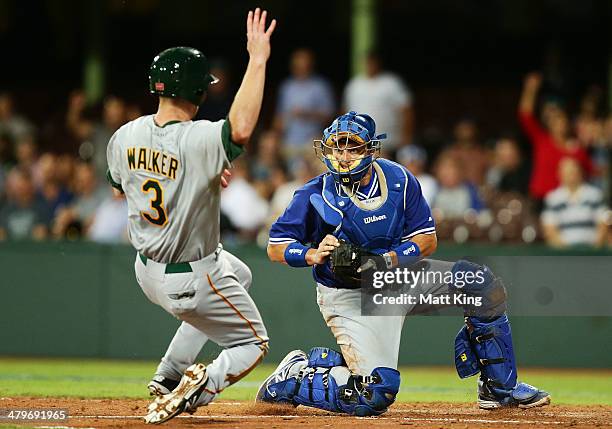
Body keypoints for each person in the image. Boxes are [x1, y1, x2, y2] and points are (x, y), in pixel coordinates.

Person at [256, 111, 550, 416]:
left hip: (399, 277)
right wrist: (311, 254)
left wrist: (387, 260)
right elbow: (275, 246)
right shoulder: (314, 193)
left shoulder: (399, 179)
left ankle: (499, 390)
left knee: (479, 284)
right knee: (373, 395)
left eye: (352, 146)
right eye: (337, 146)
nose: (342, 155)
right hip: (351, 296)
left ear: (370, 149)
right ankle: (293, 378)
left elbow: (427, 239)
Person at [105, 8, 276, 424]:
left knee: (241, 275)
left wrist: (193, 179)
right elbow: (239, 130)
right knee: (253, 344)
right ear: (199, 91)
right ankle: (202, 385)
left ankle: (169, 373)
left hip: (147, 271)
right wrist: (258, 60)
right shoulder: (199, 139)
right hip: (191, 278)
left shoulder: (124, 134)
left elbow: (120, 187)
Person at [518, 72, 592, 201]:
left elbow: (589, 171)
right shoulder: (541, 140)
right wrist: (530, 89)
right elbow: (525, 116)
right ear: (549, 124)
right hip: (541, 197)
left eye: (561, 120)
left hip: (567, 201)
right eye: (554, 121)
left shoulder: (577, 147)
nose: (559, 124)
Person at [342, 52, 414, 154]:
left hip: (389, 142)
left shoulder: (392, 83)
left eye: (372, 62)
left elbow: (407, 111)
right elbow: (346, 112)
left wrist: (406, 138)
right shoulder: (354, 85)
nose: (370, 65)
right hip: (359, 143)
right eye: (367, 62)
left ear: (378, 63)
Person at [274, 48, 335, 166]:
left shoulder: (320, 86)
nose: (301, 67)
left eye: (304, 64)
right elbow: (279, 116)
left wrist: (306, 114)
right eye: (298, 64)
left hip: (313, 141)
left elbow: (329, 115)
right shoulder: (287, 87)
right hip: (290, 141)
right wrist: (276, 135)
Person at [541, 158, 609, 248]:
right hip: (564, 255)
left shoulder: (595, 195)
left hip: (591, 252)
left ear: (581, 173)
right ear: (559, 174)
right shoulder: (552, 199)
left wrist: (594, 250)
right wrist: (567, 253)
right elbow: (550, 229)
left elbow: (603, 224)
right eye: (567, 172)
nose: (571, 175)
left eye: (573, 171)